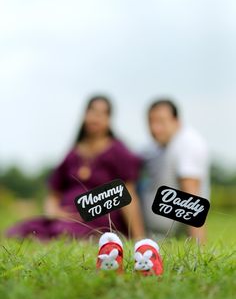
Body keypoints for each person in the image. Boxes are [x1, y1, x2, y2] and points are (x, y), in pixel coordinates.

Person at [7, 96, 145, 240]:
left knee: (64, 232)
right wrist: (53, 211)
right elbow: (54, 192)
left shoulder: (118, 152)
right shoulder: (73, 153)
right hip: (65, 217)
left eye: (102, 113)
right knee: (23, 231)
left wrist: (138, 237)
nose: (96, 117)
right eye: (92, 111)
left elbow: (128, 194)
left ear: (109, 119)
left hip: (98, 220)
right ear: (85, 114)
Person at [139, 99, 210, 243]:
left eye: (161, 122)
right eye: (151, 122)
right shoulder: (157, 146)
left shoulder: (188, 143)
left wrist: (198, 248)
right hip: (154, 235)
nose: (155, 128)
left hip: (174, 238)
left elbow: (191, 197)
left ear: (176, 121)